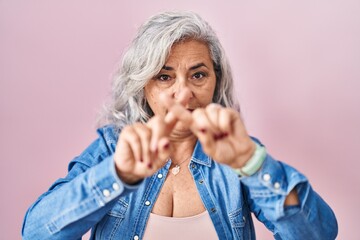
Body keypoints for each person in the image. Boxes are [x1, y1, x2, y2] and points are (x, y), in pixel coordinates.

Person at [21, 11, 338, 240]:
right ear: (143, 86)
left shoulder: (236, 152)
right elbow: (37, 233)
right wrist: (116, 175)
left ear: (216, 81)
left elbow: (318, 235)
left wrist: (252, 164)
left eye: (198, 75)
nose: (183, 93)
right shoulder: (112, 148)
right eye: (164, 76)